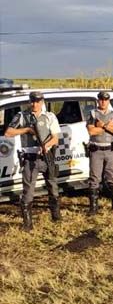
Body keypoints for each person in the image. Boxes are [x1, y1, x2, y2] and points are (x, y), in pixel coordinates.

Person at [5, 91, 61, 231]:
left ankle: (56, 216)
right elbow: (8, 132)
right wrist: (27, 130)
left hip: (47, 156)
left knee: (53, 187)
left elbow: (55, 138)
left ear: (42, 101)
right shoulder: (22, 116)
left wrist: (46, 146)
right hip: (30, 159)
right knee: (28, 191)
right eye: (32, 101)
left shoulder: (49, 116)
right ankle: (28, 224)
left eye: (37, 101)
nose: (34, 104)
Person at [86, 91, 113, 215]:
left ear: (108, 101)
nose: (103, 101)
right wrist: (108, 127)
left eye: (105, 100)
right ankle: (93, 207)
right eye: (101, 99)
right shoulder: (92, 113)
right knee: (94, 178)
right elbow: (91, 132)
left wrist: (102, 126)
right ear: (98, 100)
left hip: (110, 150)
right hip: (96, 150)